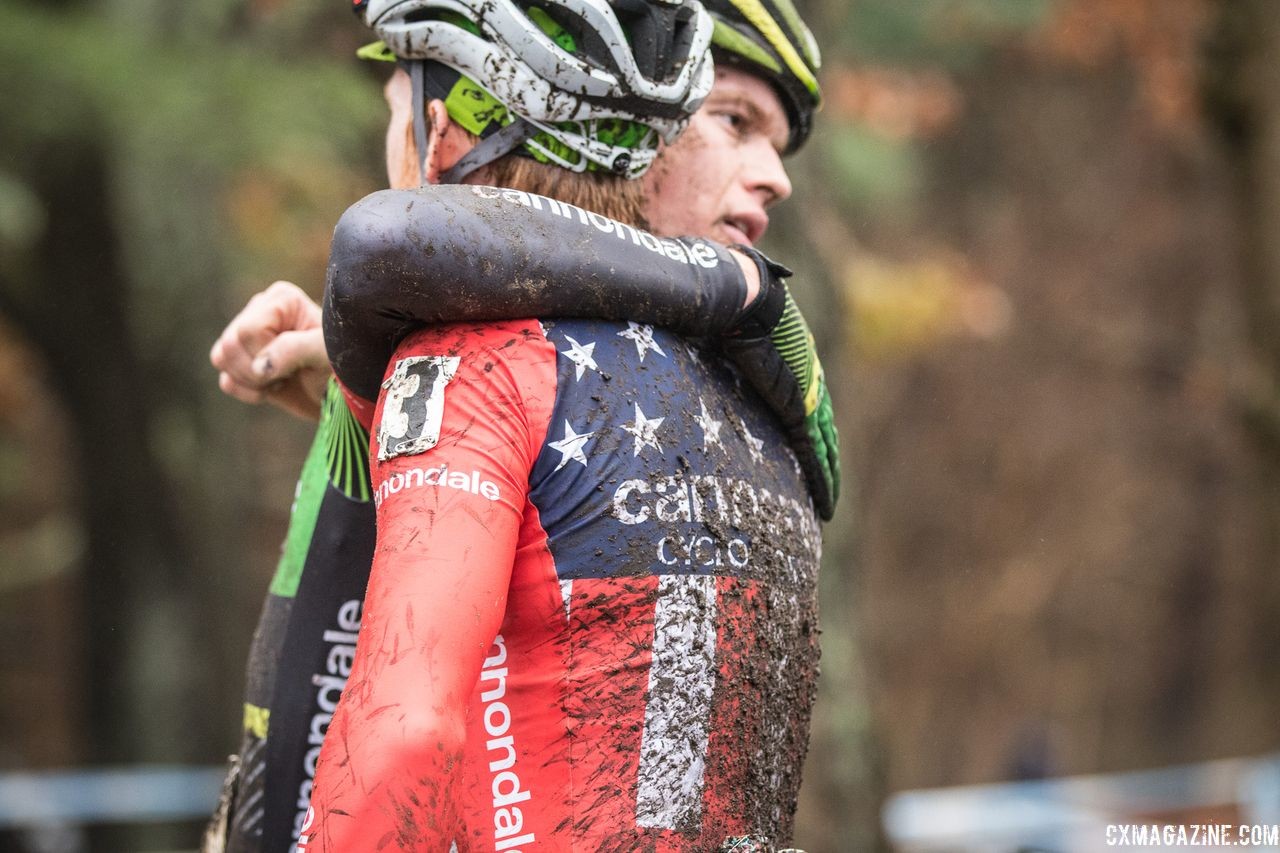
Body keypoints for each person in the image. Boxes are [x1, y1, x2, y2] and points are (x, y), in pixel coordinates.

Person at [206, 0, 831, 850]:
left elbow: (404, 732)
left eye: (393, 122)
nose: (772, 176)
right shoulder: (762, 400)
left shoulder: (483, 363)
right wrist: (354, 383)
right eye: (733, 118)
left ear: (439, 135)